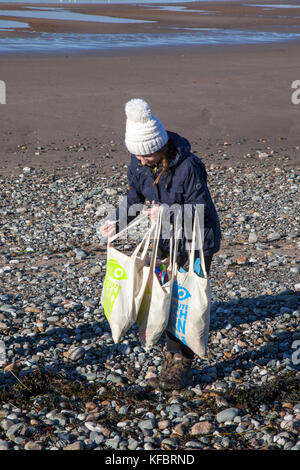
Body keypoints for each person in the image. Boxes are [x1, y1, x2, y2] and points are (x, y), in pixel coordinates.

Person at [100, 98, 221, 391]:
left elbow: (201, 213)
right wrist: (116, 221)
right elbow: (134, 198)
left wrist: (167, 213)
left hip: (195, 243)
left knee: (183, 301)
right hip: (165, 238)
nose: (140, 162)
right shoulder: (139, 160)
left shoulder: (189, 167)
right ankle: (171, 360)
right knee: (164, 299)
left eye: (145, 156)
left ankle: (181, 367)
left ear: (159, 146)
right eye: (136, 156)